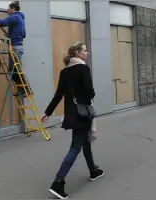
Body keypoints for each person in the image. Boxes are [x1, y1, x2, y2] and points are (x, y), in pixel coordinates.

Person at [40, 42, 104, 199]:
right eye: (84, 51)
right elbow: (90, 93)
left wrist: (47, 112)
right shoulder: (83, 68)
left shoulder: (64, 72)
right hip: (83, 114)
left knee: (85, 142)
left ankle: (93, 171)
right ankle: (58, 182)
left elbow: (58, 95)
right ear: (77, 53)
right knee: (75, 147)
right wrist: (87, 94)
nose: (87, 53)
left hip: (72, 114)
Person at [0, 3, 32, 97]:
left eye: (8, 9)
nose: (7, 11)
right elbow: (23, 34)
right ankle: (21, 89)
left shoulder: (15, 17)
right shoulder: (21, 18)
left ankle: (27, 89)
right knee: (12, 69)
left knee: (16, 69)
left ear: (13, 9)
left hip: (15, 47)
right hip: (17, 46)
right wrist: (11, 35)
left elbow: (1, 22)